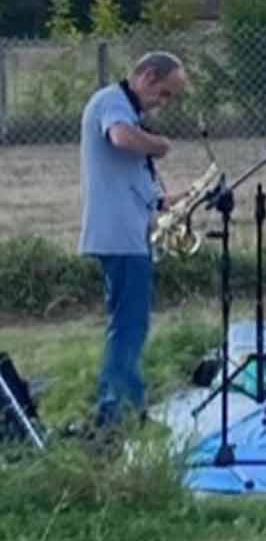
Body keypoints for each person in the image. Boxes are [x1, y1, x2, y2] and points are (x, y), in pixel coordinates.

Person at [80, 51, 189, 429]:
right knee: (129, 326)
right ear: (145, 75)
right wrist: (158, 145)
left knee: (130, 324)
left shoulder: (128, 109)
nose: (164, 103)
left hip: (132, 231)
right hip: (119, 235)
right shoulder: (113, 102)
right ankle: (119, 413)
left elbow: (129, 176)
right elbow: (121, 138)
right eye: (164, 93)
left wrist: (169, 201)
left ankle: (124, 406)